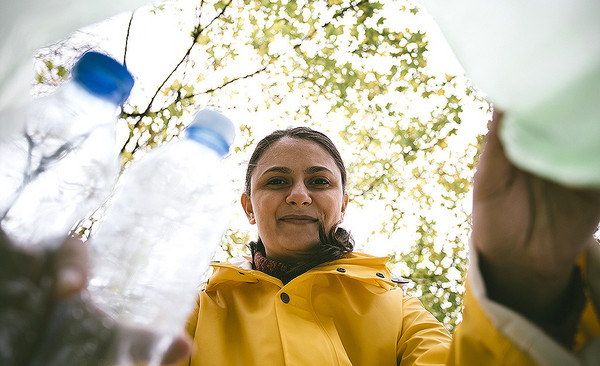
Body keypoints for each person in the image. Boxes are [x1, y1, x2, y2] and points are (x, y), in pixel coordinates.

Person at [172, 111, 600, 365]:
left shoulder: (394, 306)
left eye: (319, 181)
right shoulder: (196, 308)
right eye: (277, 181)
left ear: (342, 205)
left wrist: (523, 286)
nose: (299, 195)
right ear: (248, 207)